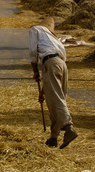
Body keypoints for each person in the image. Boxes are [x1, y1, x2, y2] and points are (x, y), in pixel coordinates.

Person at [28, 17, 78, 149]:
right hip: (62, 65)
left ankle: (68, 127)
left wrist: (35, 71)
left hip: (50, 63)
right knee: (56, 99)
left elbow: (33, 52)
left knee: (56, 99)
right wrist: (44, 92)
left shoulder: (35, 29)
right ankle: (54, 137)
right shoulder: (54, 39)